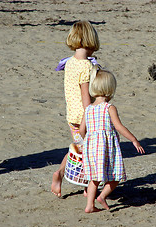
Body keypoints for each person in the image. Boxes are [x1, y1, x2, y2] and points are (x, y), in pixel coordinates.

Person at [79, 66, 145, 213]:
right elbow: (119, 127)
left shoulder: (88, 109)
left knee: (94, 178)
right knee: (114, 176)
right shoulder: (109, 108)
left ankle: (89, 206)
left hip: (91, 148)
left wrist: (88, 140)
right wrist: (133, 139)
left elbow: (82, 130)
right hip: (106, 148)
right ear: (110, 89)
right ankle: (102, 197)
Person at [51, 20, 100, 197]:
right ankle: (84, 184)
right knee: (89, 150)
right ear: (90, 40)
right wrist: (93, 114)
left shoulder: (69, 62)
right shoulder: (86, 66)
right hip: (83, 117)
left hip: (72, 114)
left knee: (80, 147)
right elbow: (86, 97)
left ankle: (62, 175)